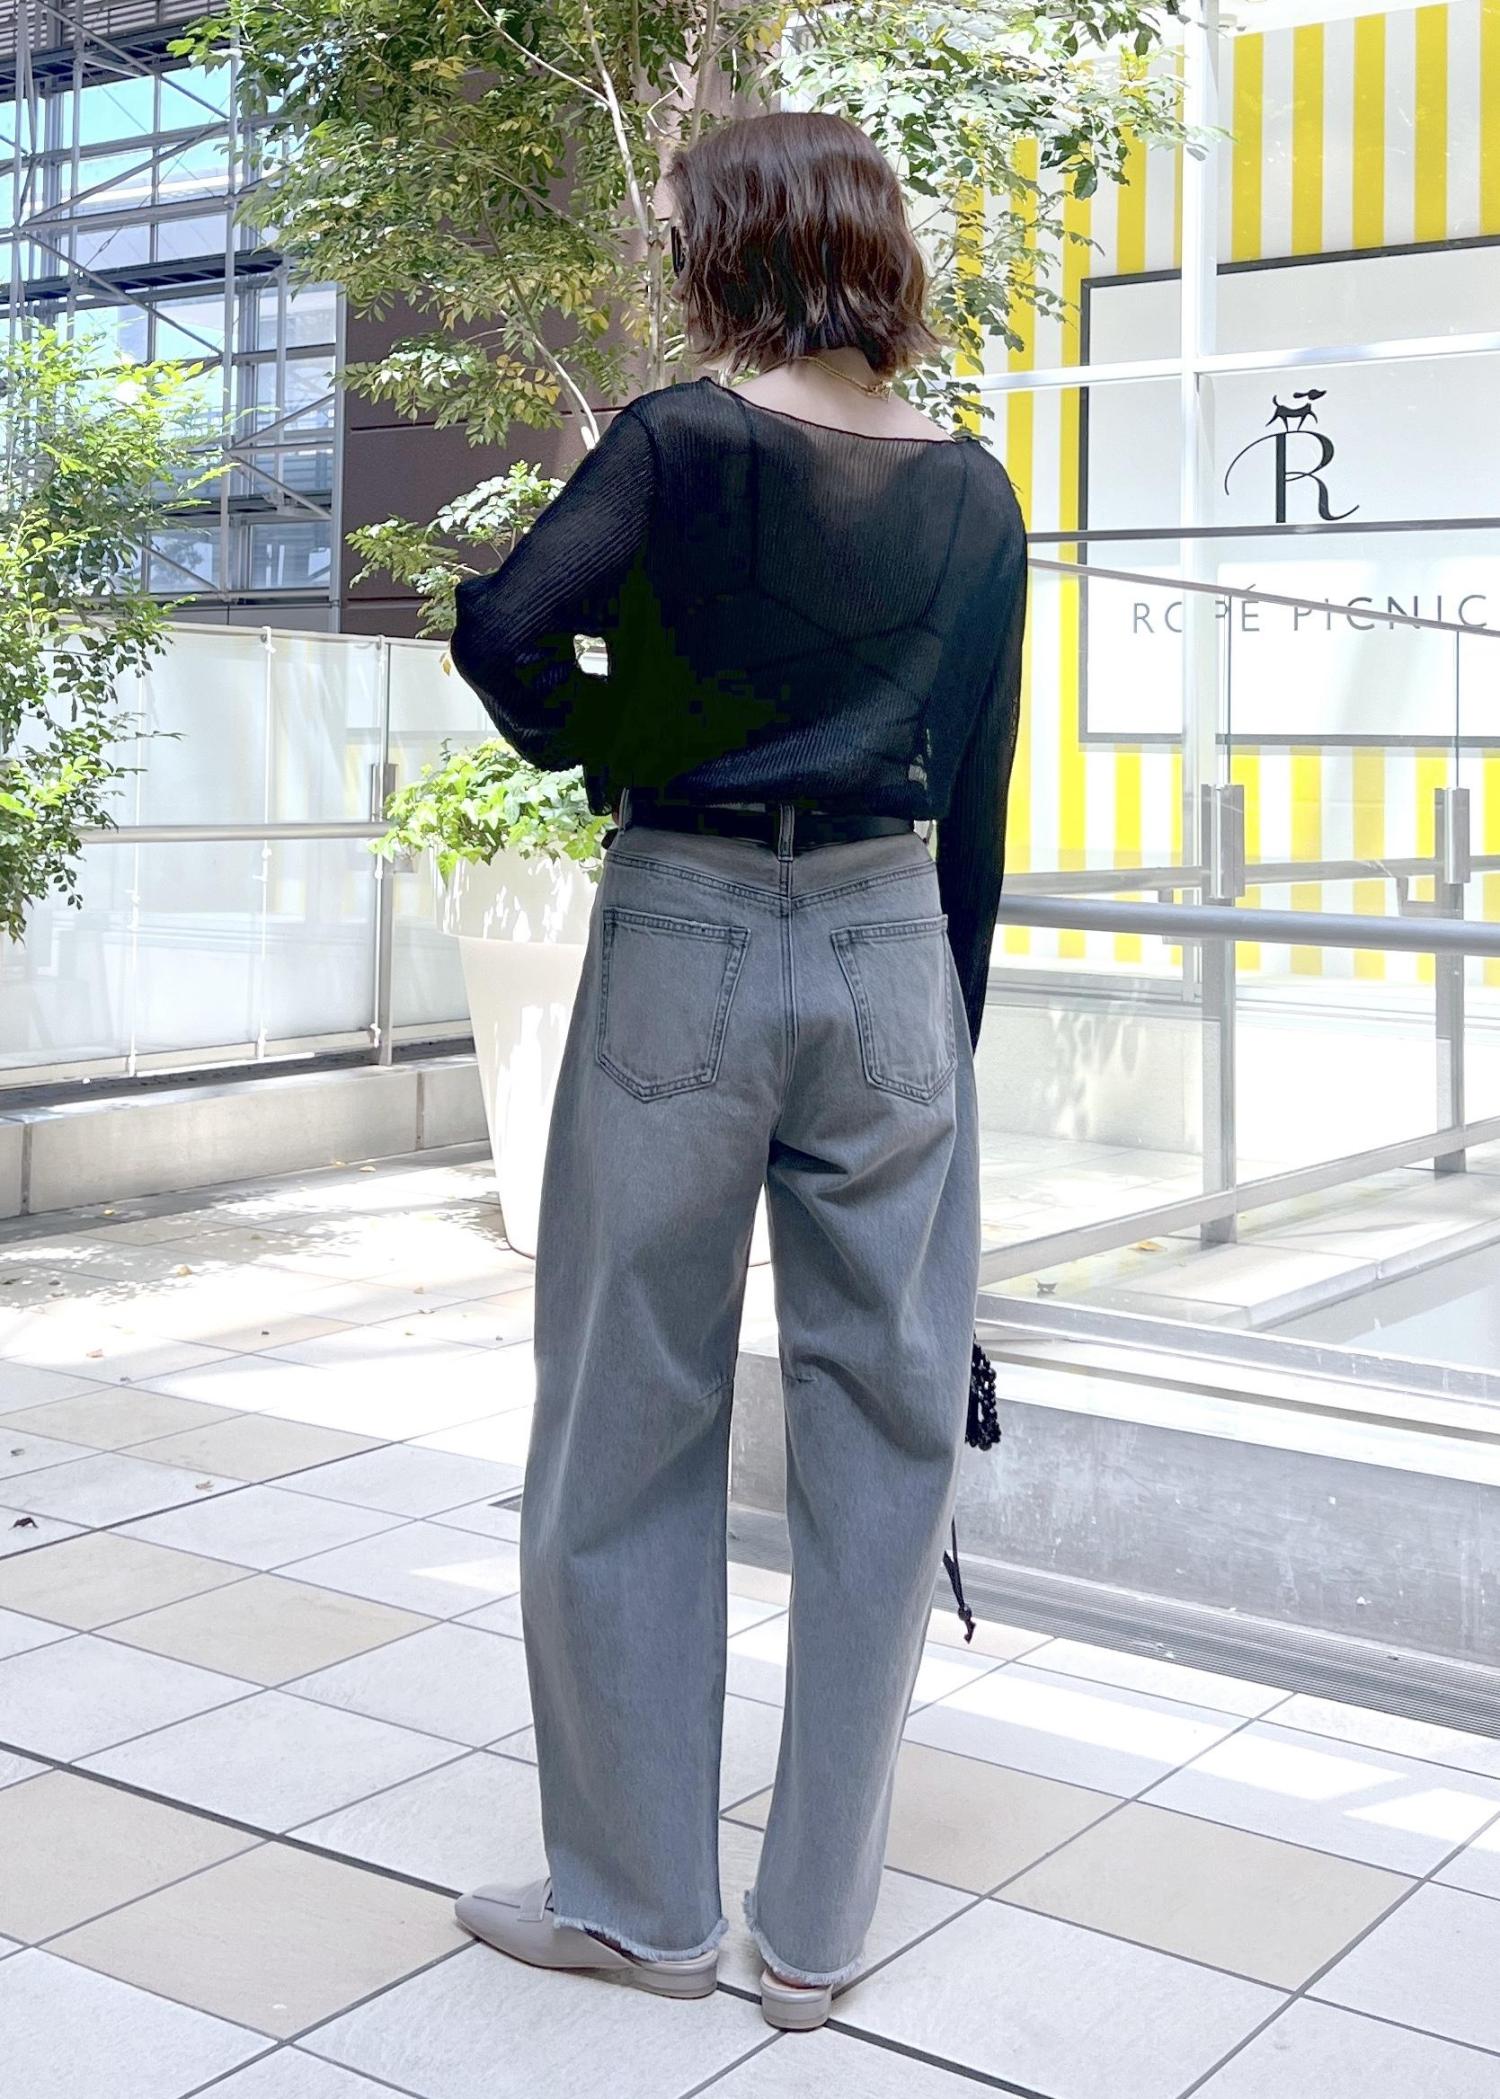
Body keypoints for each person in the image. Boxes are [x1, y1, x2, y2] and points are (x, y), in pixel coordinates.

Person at [445, 107, 1027, 2033]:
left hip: (689, 926)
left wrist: (629, 732)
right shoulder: (977, 494)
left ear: (739, 246)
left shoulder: (679, 446)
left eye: (688, 222)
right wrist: (942, 1046)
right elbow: (977, 804)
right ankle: (813, 1941)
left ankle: (641, 1911)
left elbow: (503, 628)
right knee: (887, 1433)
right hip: (890, 954)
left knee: (631, 1405)